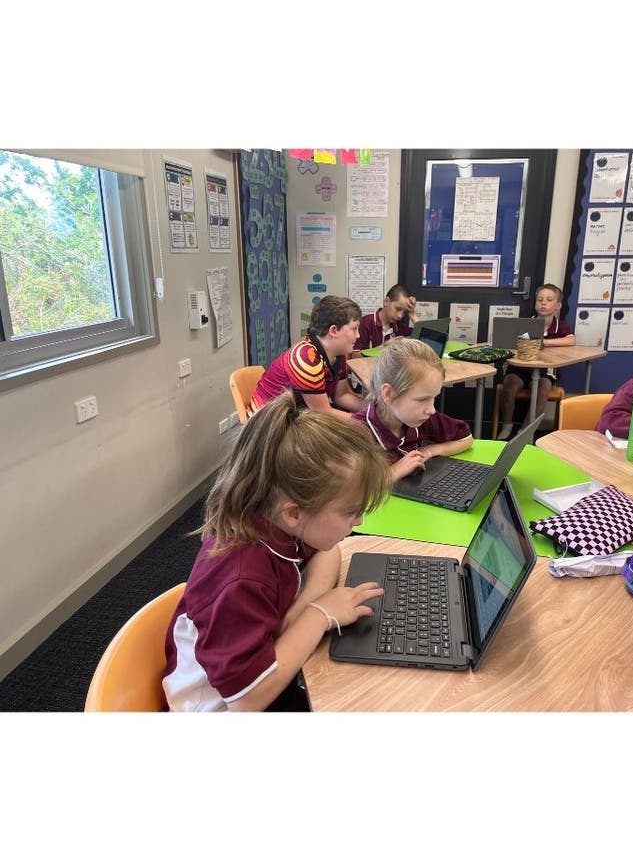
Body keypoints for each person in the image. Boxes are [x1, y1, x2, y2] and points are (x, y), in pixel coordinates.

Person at [162, 392, 392, 711]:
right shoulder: (240, 579)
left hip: (264, 674)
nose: (360, 521)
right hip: (219, 707)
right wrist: (318, 615)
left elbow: (329, 553)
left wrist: (292, 621)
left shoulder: (275, 519)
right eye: (350, 513)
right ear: (294, 512)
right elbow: (246, 701)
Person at [351, 338, 473, 480]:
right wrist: (393, 472)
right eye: (422, 399)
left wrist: (427, 451)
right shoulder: (357, 433)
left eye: (434, 398)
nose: (431, 410)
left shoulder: (420, 418)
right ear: (388, 394)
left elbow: (466, 439)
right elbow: (348, 491)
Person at [252, 295, 365, 419]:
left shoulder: (338, 353)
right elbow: (322, 412)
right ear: (333, 331)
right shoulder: (305, 358)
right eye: (354, 329)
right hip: (269, 418)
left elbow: (341, 396)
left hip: (300, 411)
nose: (358, 335)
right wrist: (368, 422)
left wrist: (374, 411)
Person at [496, 283, 575, 440]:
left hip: (545, 372)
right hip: (521, 370)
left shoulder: (561, 326)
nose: (543, 303)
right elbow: (508, 341)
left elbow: (571, 340)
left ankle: (524, 433)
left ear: (558, 305)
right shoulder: (526, 323)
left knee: (543, 387)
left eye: (549, 300)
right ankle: (507, 425)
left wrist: (544, 342)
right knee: (509, 383)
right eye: (539, 300)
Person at [353, 283, 418, 350]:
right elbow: (355, 354)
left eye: (404, 312)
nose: (400, 316)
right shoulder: (366, 323)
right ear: (386, 301)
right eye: (397, 309)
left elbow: (421, 339)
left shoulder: (399, 327)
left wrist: (414, 316)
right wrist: (385, 347)